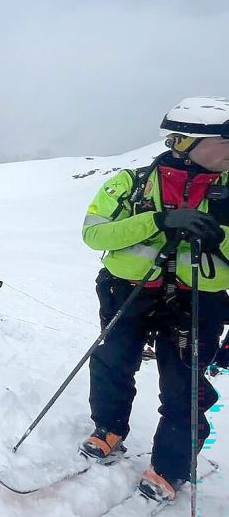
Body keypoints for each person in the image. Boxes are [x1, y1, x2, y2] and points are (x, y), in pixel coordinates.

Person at [78, 97, 229, 504]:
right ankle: (108, 428)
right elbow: (95, 234)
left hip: (197, 300)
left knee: (185, 386)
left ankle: (169, 467)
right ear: (190, 142)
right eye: (227, 141)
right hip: (128, 291)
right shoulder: (130, 182)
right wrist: (159, 221)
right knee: (113, 361)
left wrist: (220, 234)